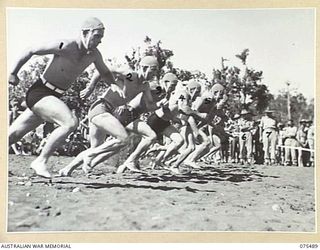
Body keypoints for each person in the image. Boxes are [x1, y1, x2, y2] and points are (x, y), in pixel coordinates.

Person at [8, 17, 119, 178]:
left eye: (101, 37)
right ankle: (41, 161)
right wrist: (13, 73)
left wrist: (113, 84)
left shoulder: (94, 54)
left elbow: (105, 72)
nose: (99, 41)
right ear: (85, 33)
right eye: (96, 36)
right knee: (70, 122)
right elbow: (31, 49)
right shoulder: (65, 45)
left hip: (54, 96)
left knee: (13, 135)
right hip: (40, 91)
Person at [58, 56, 160, 176]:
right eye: (153, 69)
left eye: (156, 70)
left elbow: (149, 105)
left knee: (96, 147)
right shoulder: (130, 75)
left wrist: (163, 103)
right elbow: (103, 70)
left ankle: (66, 170)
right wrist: (90, 88)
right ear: (143, 67)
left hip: (107, 112)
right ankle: (90, 155)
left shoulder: (145, 86)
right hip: (100, 108)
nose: (154, 73)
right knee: (123, 138)